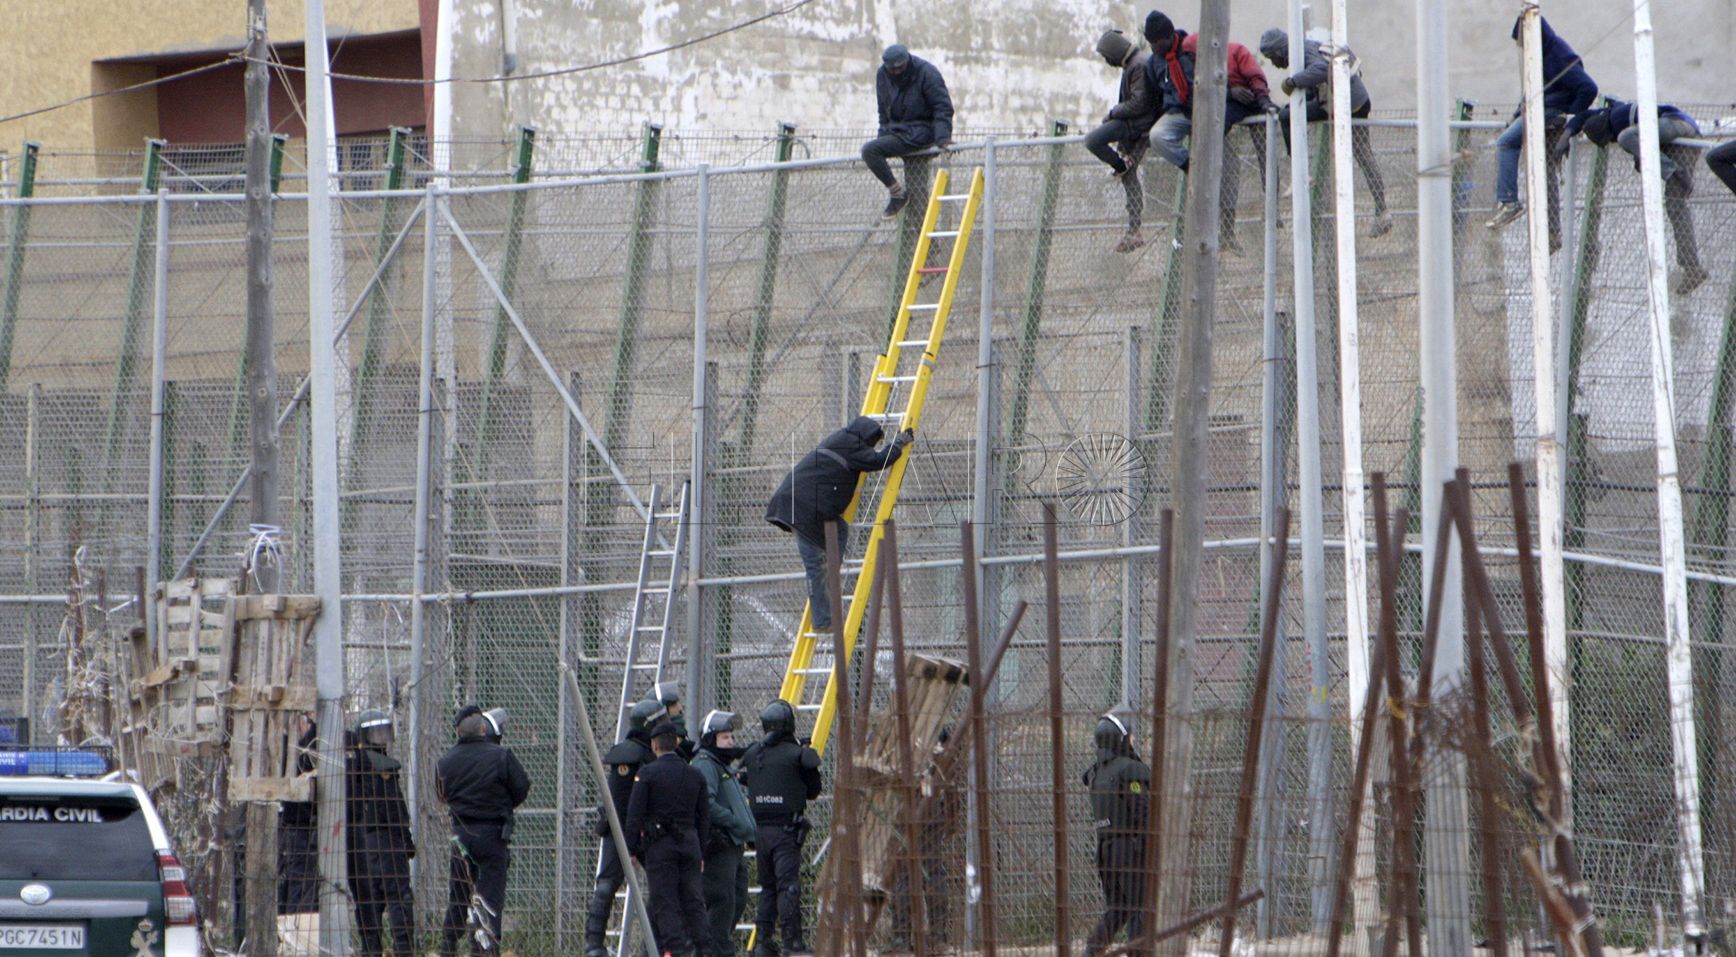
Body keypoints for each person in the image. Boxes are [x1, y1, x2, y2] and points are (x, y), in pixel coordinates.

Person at [765, 417, 914, 634]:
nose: (871, 447)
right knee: (816, 566)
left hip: (802, 506)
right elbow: (879, 460)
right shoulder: (851, 445)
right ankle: (824, 621)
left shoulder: (841, 440)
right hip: (805, 509)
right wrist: (900, 442)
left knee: (838, 533)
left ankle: (829, 586)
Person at [1143, 11, 1278, 250]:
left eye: (1154, 41)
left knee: (1230, 169)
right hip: (1183, 112)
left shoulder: (1198, 50)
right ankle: (1193, 168)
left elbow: (1216, 82)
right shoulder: (1154, 63)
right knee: (1158, 136)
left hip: (1211, 111)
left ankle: (1239, 226)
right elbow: (1154, 96)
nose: (1152, 46)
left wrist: (1249, 97)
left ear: (1166, 37)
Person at [1257, 27, 1391, 236]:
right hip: (1357, 100)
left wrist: (1293, 82)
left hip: (1344, 103)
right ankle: (1382, 210)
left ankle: (1300, 171)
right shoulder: (1310, 47)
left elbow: (1322, 69)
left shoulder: (1303, 50)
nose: (1274, 64)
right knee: (1364, 154)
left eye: (1272, 58)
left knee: (1286, 116)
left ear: (1281, 51)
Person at [1567, 98, 1709, 295]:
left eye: (1608, 140)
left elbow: (1631, 136)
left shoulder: (1617, 122)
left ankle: (1674, 172)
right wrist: (1566, 134)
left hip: (1678, 126)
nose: (1612, 142)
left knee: (1627, 138)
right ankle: (1692, 267)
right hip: (1681, 142)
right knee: (1675, 206)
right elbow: (1583, 116)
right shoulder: (1615, 113)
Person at [1487, 15, 1598, 236]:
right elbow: (1534, 92)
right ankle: (1551, 234)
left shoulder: (1557, 54)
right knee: (1543, 169)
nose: (1522, 48)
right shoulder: (1539, 57)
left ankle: (1509, 201)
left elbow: (1588, 88)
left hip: (1550, 112)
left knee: (1506, 142)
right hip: (1538, 110)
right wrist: (1517, 115)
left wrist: (1570, 118)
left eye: (1524, 42)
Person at [437, 704, 531, 957]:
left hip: (460, 834)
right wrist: (500, 803)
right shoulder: (500, 755)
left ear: (458, 732)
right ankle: (484, 950)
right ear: (482, 728)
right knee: (489, 898)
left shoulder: (445, 762)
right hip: (491, 833)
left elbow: (441, 794)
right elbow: (521, 788)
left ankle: (448, 947)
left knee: (458, 893)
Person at [741, 700, 822, 957]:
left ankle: (764, 941)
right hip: (785, 832)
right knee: (788, 886)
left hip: (759, 832)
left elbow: (744, 779)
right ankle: (792, 942)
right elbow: (813, 791)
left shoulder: (754, 754)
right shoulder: (798, 754)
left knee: (768, 887)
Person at [585, 698, 664, 957]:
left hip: (642, 829)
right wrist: (629, 842)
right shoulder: (630, 754)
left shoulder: (650, 753)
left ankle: (653, 946)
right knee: (607, 884)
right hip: (625, 829)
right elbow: (620, 803)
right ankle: (594, 944)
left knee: (661, 887)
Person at [627, 721, 713, 957]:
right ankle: (704, 949)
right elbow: (704, 817)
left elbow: (634, 815)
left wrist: (631, 849)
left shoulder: (646, 774)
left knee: (665, 901)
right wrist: (701, 850)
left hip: (660, 846)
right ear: (675, 744)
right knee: (694, 900)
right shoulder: (695, 774)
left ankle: (674, 950)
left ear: (654, 745)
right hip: (690, 842)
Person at [1084, 29, 1162, 253]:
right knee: (1129, 176)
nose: (1107, 61)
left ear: (1114, 51)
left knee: (1092, 140)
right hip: (1134, 125)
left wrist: (1113, 113)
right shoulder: (1135, 63)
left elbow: (1139, 103)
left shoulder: (1137, 65)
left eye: (1106, 56)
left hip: (1135, 127)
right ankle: (1133, 229)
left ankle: (1120, 164)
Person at [347, 709, 416, 957]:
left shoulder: (360, 764)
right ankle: (402, 950)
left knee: (371, 900)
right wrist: (403, 838)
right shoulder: (373, 766)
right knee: (397, 896)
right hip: (383, 841)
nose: (381, 737)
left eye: (383, 731)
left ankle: (372, 950)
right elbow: (393, 808)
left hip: (364, 843)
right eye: (375, 732)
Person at [1083, 712, 1152, 957]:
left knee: (1119, 907)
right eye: (1130, 737)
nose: (1133, 741)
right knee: (1140, 907)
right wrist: (1147, 846)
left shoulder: (1096, 774)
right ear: (1120, 739)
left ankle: (1091, 951)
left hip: (1105, 851)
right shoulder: (1130, 771)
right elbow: (1143, 811)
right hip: (1128, 851)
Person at [863, 44, 954, 219]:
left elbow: (942, 107)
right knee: (918, 205)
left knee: (870, 150)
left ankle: (897, 195)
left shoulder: (927, 72)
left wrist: (943, 138)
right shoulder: (883, 74)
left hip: (921, 133)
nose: (897, 72)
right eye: (893, 69)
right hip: (897, 132)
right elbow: (883, 109)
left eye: (901, 68)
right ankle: (928, 246)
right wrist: (883, 137)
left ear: (908, 61)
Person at [693, 711, 755, 957]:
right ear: (710, 740)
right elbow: (705, 802)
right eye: (725, 737)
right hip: (719, 846)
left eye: (731, 736)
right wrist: (734, 823)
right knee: (722, 902)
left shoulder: (721, 766)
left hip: (734, 845)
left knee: (737, 899)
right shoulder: (706, 764)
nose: (731, 741)